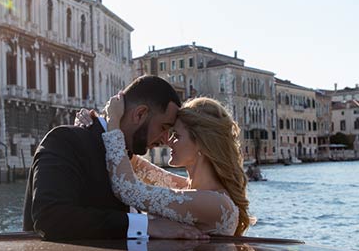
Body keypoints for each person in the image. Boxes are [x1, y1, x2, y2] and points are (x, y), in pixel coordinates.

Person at [22, 75, 207, 240]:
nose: (166, 140)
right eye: (164, 127)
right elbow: (50, 217)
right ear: (140, 114)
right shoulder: (64, 141)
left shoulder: (129, 158)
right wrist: (147, 225)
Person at [82, 94, 254, 236]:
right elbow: (135, 164)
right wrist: (96, 126)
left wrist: (113, 122)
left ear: (202, 144)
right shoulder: (187, 188)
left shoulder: (216, 203)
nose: (168, 142)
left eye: (176, 136)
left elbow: (128, 190)